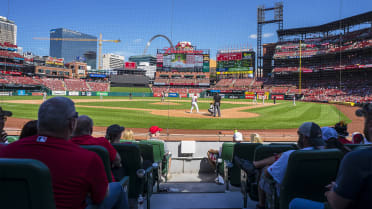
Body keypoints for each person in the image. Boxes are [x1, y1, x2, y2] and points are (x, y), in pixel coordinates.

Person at [0, 97, 129, 209]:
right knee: (116, 187)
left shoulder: (5, 150)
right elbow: (100, 198)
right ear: (72, 123)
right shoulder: (88, 158)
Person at [289, 103, 372, 209]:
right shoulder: (352, 153)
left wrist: (332, 192)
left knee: (294, 203)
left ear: (370, 124)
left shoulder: (356, 158)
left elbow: (337, 205)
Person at [237, 122, 325, 209]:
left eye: (299, 135)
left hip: (290, 199)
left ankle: (261, 205)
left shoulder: (291, 156)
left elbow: (268, 174)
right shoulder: (330, 155)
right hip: (320, 199)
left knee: (264, 172)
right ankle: (255, 166)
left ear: (304, 138)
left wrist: (266, 168)